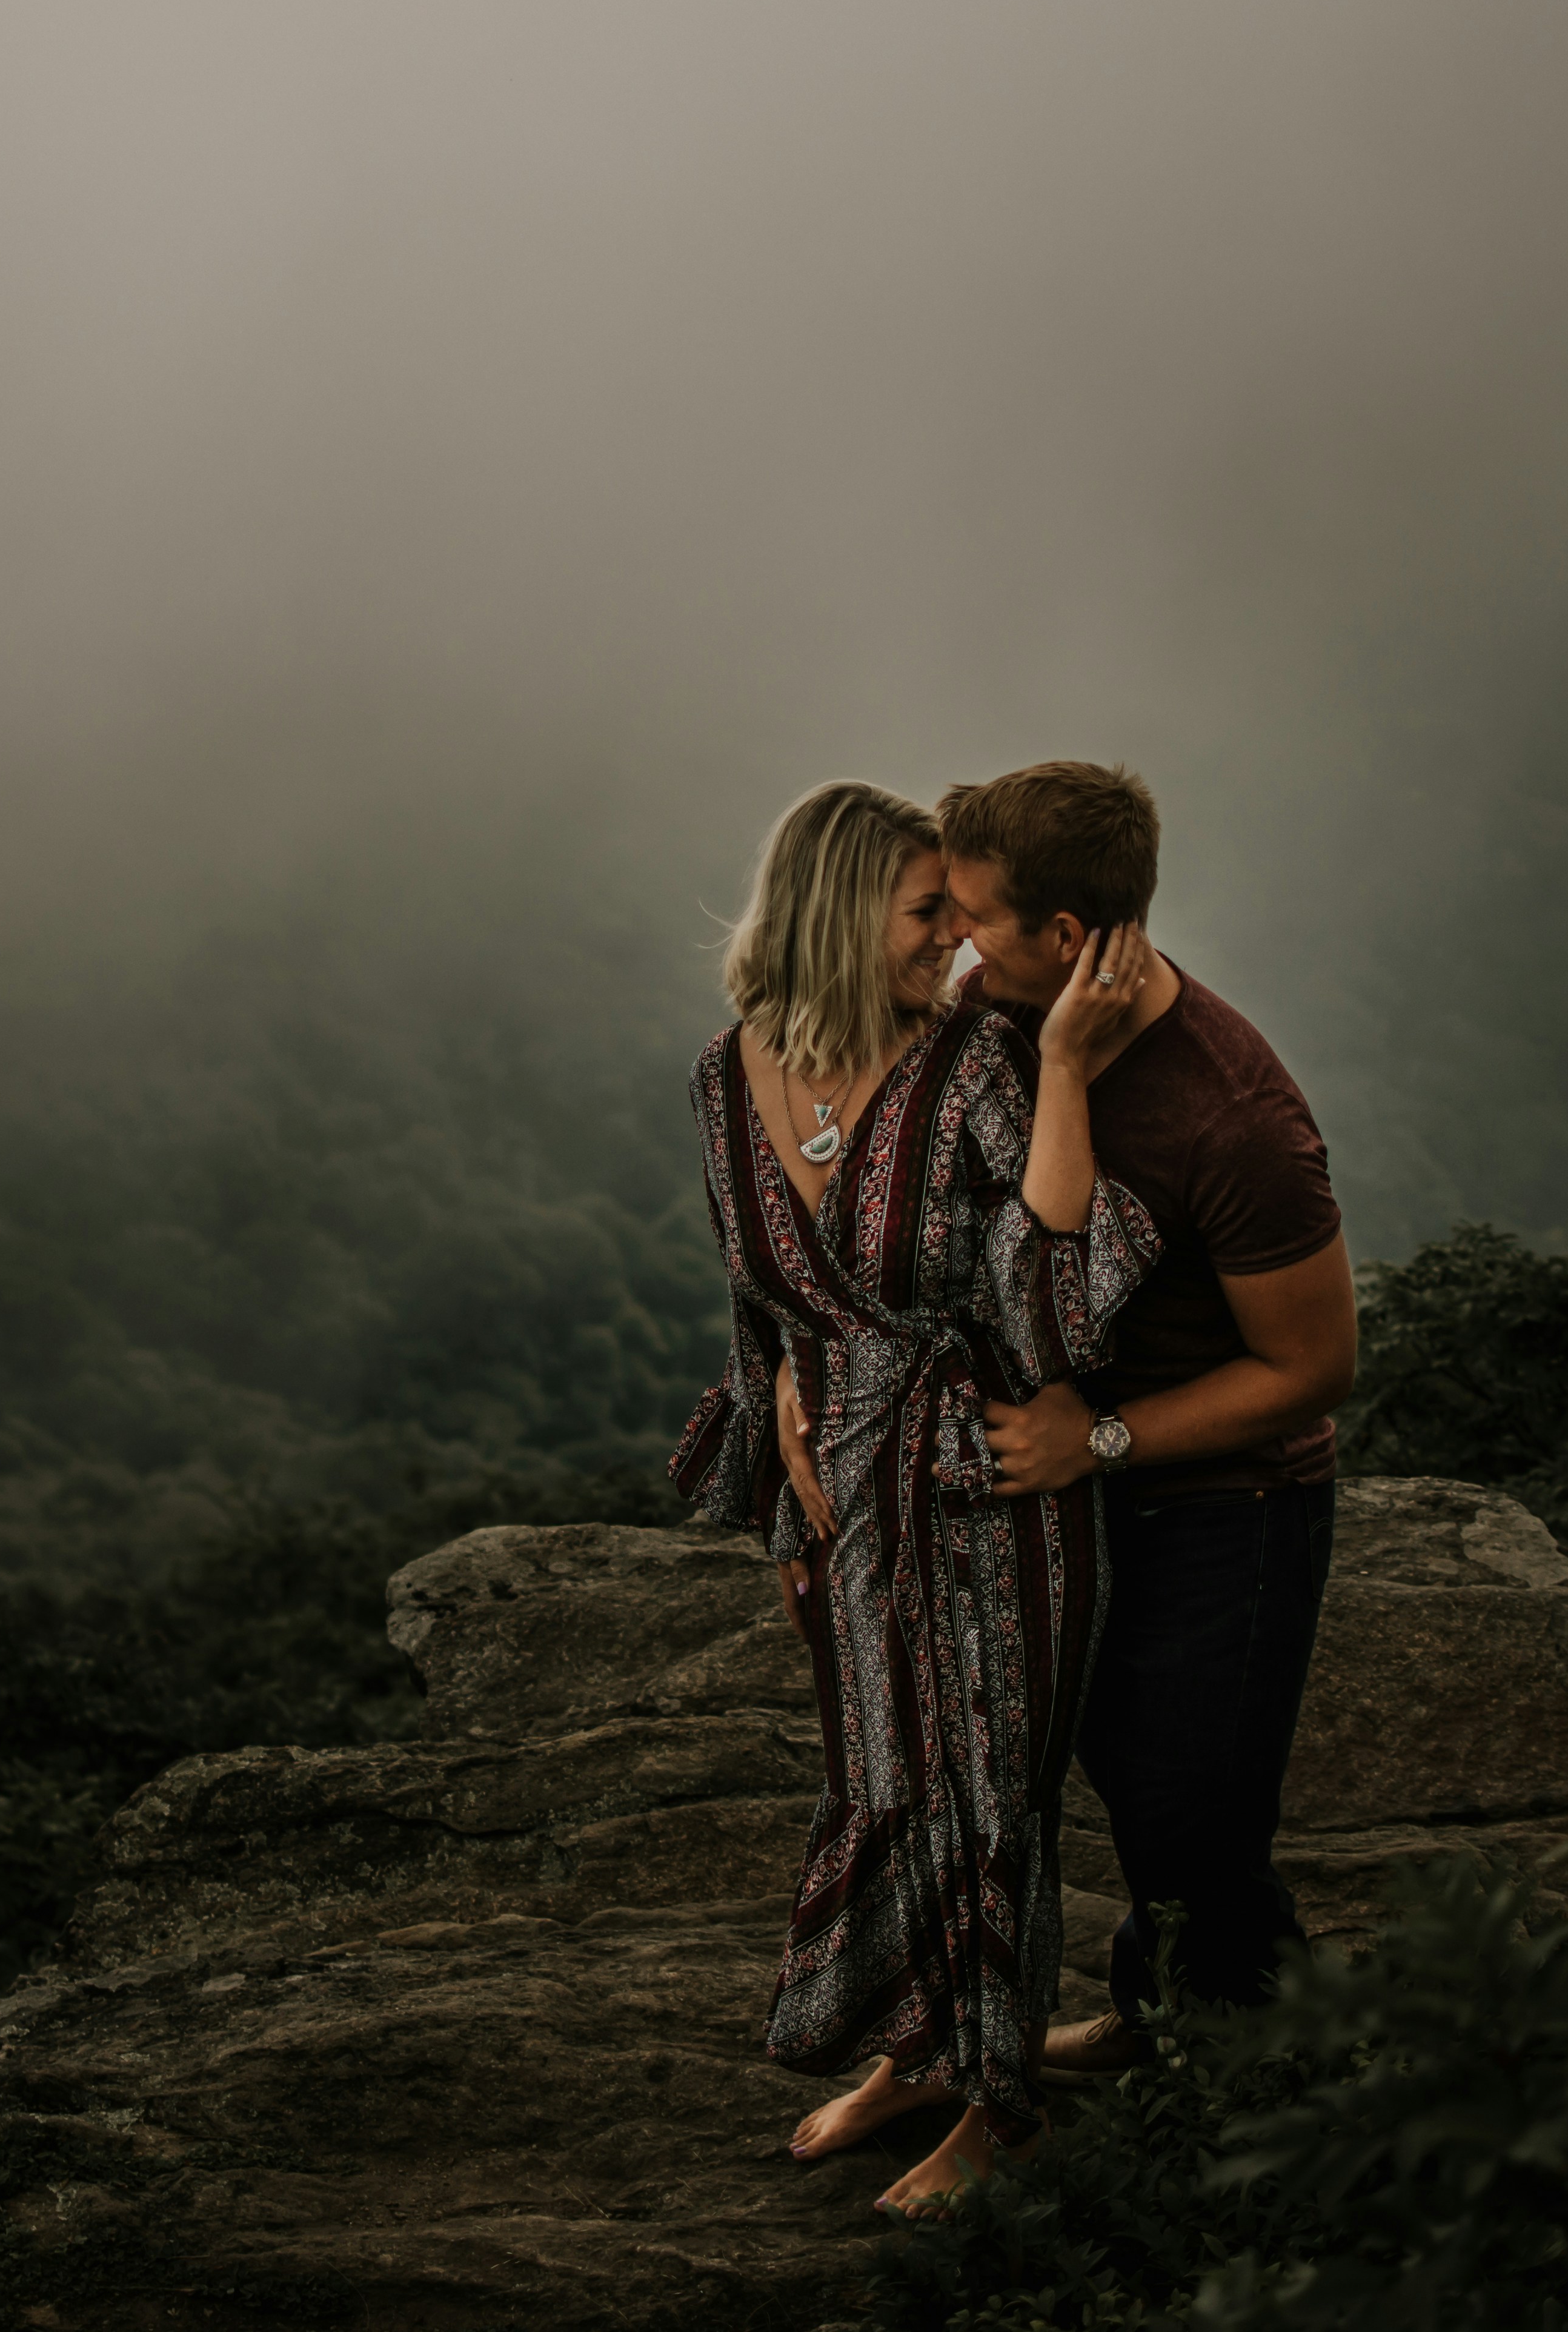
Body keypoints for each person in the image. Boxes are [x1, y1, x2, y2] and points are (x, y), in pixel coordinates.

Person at [669, 778, 1160, 2217]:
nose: (953, 938)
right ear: (830, 916)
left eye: (959, 907)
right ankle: (920, 2050)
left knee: (988, 1795)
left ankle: (1003, 2107)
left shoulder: (980, 1064)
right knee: (881, 1780)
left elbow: (1060, 1302)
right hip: (843, 1503)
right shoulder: (724, 1072)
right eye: (925, 909)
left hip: (983, 1484)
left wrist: (1063, 1070)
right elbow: (752, 1294)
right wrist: (777, 1445)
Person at [915, 759, 1357, 2065]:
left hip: (1232, 1497)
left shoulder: (1235, 1117)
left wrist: (1094, 1439)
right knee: (1118, 1772)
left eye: (977, 916)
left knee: (1194, 1811)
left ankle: (1276, 2079)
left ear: (1070, 936)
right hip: (1079, 1482)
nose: (954, 937)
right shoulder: (1003, 1009)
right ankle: (1166, 2016)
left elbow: (1313, 1368)